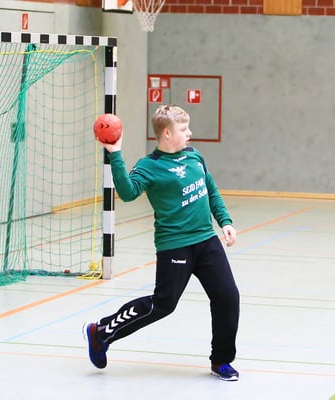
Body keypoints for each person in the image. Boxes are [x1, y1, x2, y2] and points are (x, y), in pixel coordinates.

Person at [83, 105, 240, 381]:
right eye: (183, 129)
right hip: (174, 245)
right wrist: (115, 153)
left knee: (227, 297)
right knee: (163, 304)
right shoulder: (150, 166)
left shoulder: (194, 157)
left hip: (206, 240)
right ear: (166, 133)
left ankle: (221, 361)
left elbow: (211, 189)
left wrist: (225, 221)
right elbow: (127, 192)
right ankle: (102, 332)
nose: (189, 133)